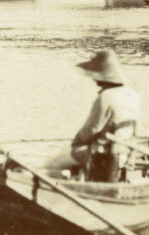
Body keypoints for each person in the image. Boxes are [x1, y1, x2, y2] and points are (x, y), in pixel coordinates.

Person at [52, 50, 141, 183]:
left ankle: (81, 180)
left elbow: (91, 129)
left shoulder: (105, 97)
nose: (94, 79)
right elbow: (137, 130)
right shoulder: (133, 95)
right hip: (125, 153)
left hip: (103, 155)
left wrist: (76, 141)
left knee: (67, 155)